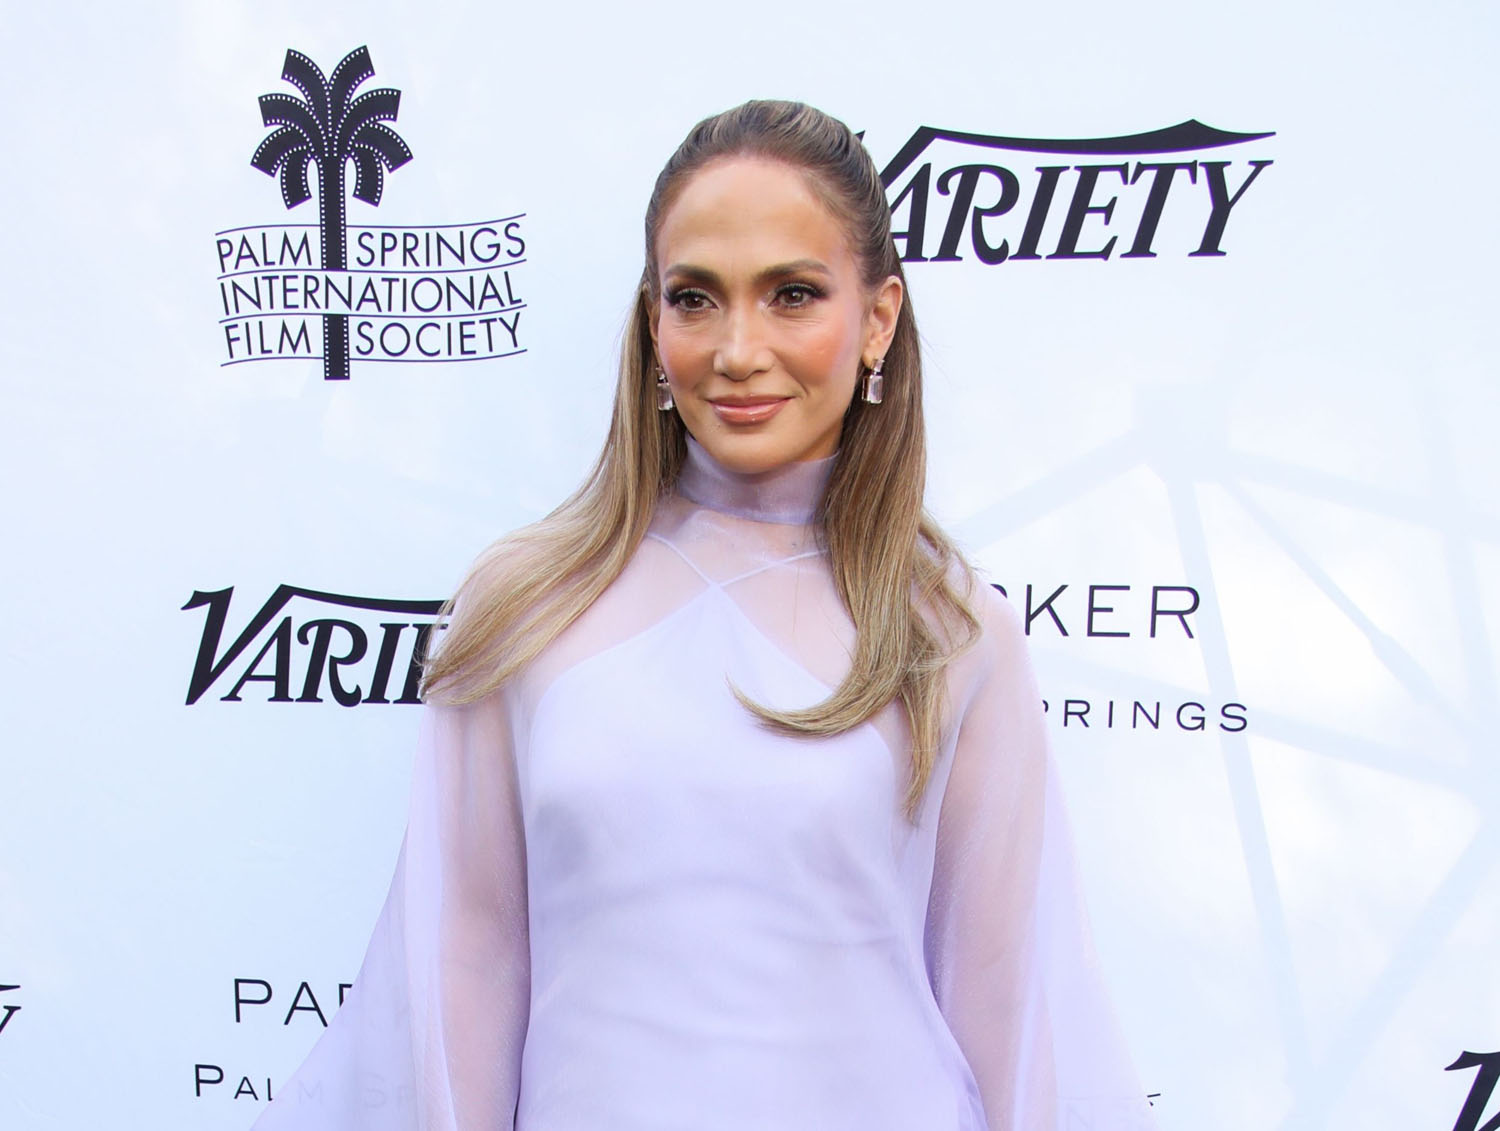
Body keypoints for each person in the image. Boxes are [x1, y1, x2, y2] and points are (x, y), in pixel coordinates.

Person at [252, 100, 1155, 1131]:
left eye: (792, 295)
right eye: (695, 298)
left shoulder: (952, 631)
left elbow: (1009, 1010)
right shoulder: (521, 607)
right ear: (653, 322)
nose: (738, 349)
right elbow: (466, 965)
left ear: (878, 319)